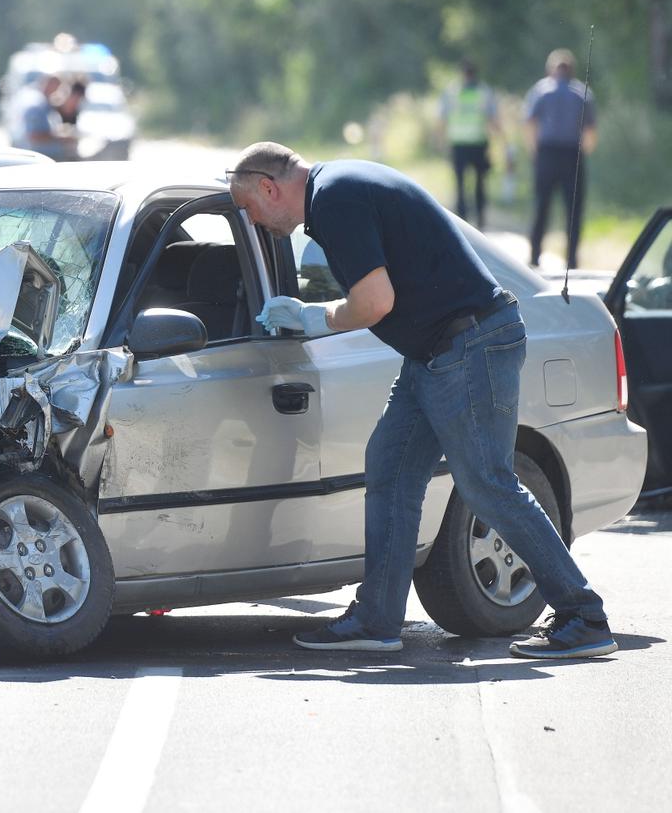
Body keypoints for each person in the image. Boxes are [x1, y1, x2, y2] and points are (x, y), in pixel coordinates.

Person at [227, 141, 616, 660]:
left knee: (487, 484)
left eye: (250, 209)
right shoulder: (339, 184)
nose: (254, 223)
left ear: (270, 187)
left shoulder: (334, 200)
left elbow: (375, 302)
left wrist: (315, 317)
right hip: (436, 353)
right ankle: (378, 619)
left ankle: (583, 616)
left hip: (468, 346)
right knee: (390, 466)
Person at [524, 48, 597, 269]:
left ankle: (535, 255)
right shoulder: (582, 92)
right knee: (573, 209)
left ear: (551, 70)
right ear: (572, 71)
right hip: (572, 155)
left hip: (546, 153)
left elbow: (530, 124)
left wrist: (534, 151)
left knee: (541, 206)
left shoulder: (541, 90)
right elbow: (590, 132)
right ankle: (572, 260)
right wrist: (584, 152)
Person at [439, 59, 501, 228]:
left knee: (459, 184)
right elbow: (492, 119)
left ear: (461, 74)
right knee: (480, 184)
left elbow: (442, 119)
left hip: (458, 143)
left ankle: (461, 223)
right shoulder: (484, 92)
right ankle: (480, 220)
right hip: (478, 143)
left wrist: (440, 141)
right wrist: (502, 140)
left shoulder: (452, 92)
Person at [6, 74, 78, 161]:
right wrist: (62, 138)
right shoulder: (36, 104)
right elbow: (34, 136)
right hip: (32, 157)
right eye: (57, 88)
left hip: (36, 155)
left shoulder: (42, 103)